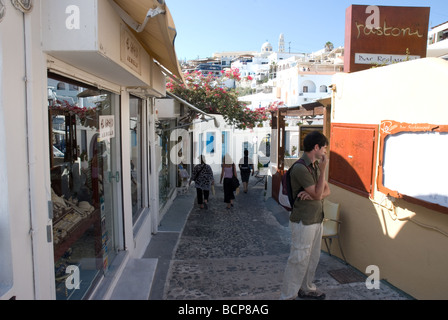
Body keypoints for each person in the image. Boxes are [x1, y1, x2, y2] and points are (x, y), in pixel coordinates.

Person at [280, 131, 331, 300]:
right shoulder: (301, 168)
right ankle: (288, 296)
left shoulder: (314, 165)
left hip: (316, 218)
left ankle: (306, 288)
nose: (325, 151)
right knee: (298, 258)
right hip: (304, 221)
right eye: (324, 147)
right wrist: (323, 173)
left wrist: (316, 194)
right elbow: (318, 193)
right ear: (316, 147)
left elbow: (327, 191)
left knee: (312, 257)